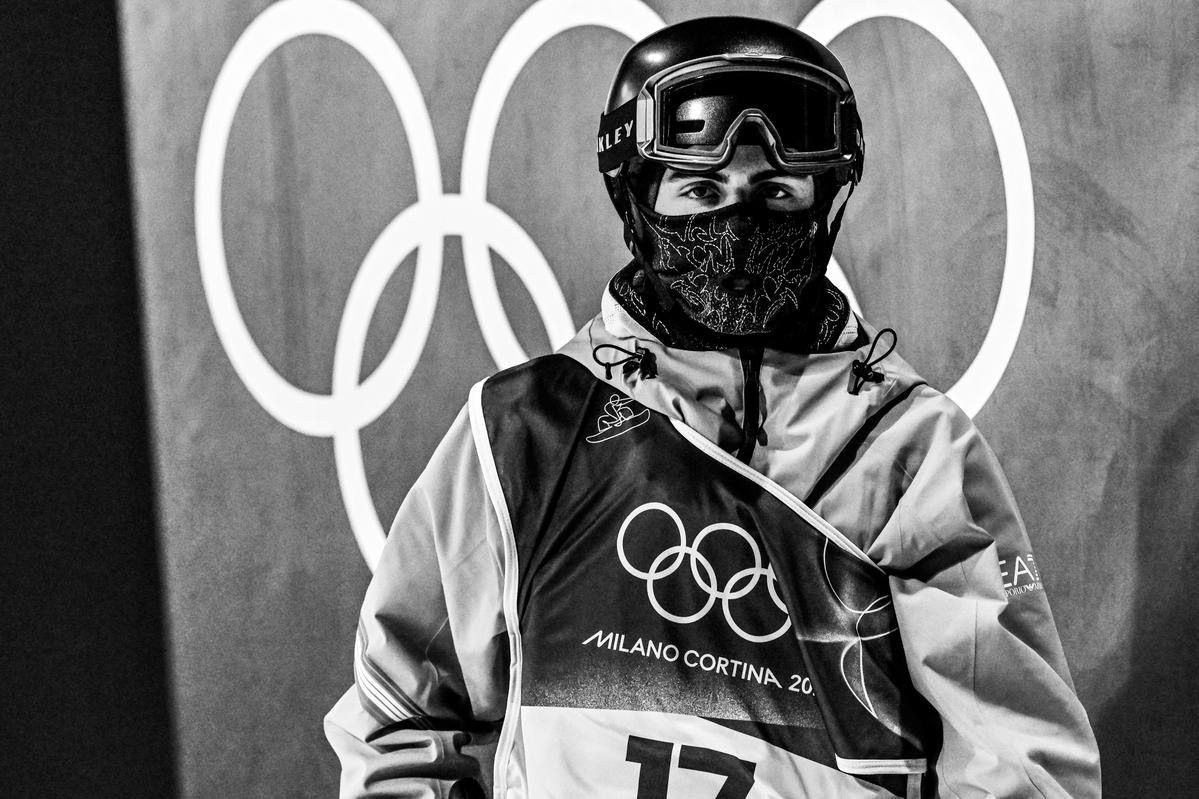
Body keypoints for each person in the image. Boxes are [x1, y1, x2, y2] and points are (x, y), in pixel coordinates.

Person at [325, 16, 1101, 798]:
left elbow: (1023, 766)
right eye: (701, 190)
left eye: (774, 193)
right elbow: (398, 715)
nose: (736, 230)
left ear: (824, 201)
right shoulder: (524, 432)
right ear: (636, 198)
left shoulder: (908, 447)